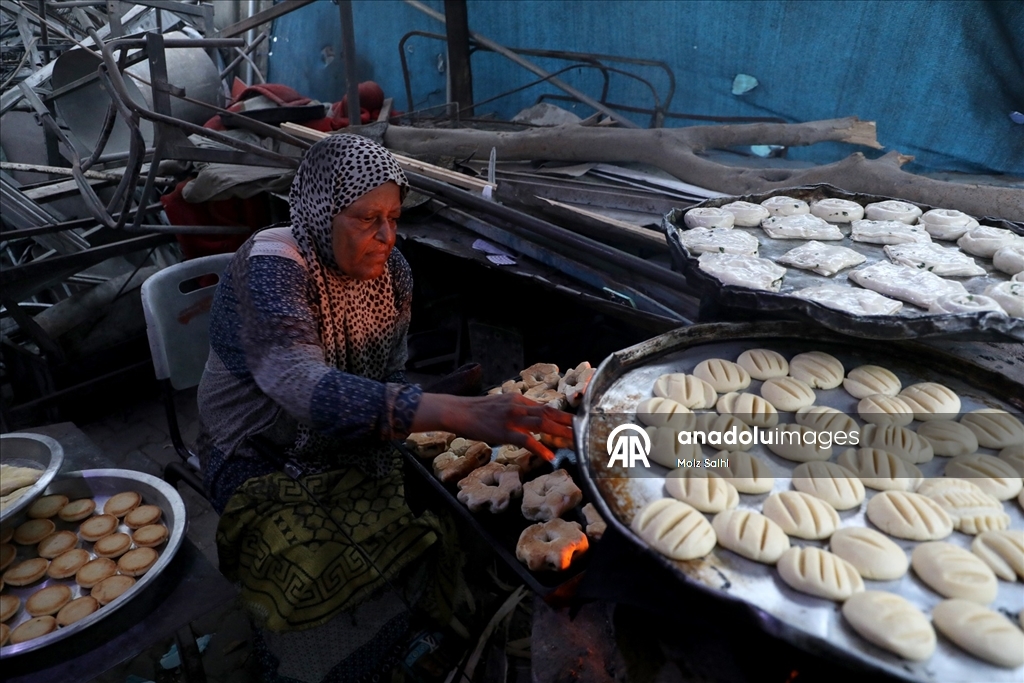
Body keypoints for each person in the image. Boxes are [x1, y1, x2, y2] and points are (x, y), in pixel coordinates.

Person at [193, 134, 572, 683]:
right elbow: (295, 381)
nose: (387, 236)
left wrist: (428, 422)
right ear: (322, 209)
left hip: (350, 433)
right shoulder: (273, 267)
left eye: (394, 217)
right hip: (256, 453)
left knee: (436, 515)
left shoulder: (393, 273)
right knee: (313, 567)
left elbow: (390, 375)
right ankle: (317, 664)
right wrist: (456, 412)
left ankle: (411, 630)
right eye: (367, 218)